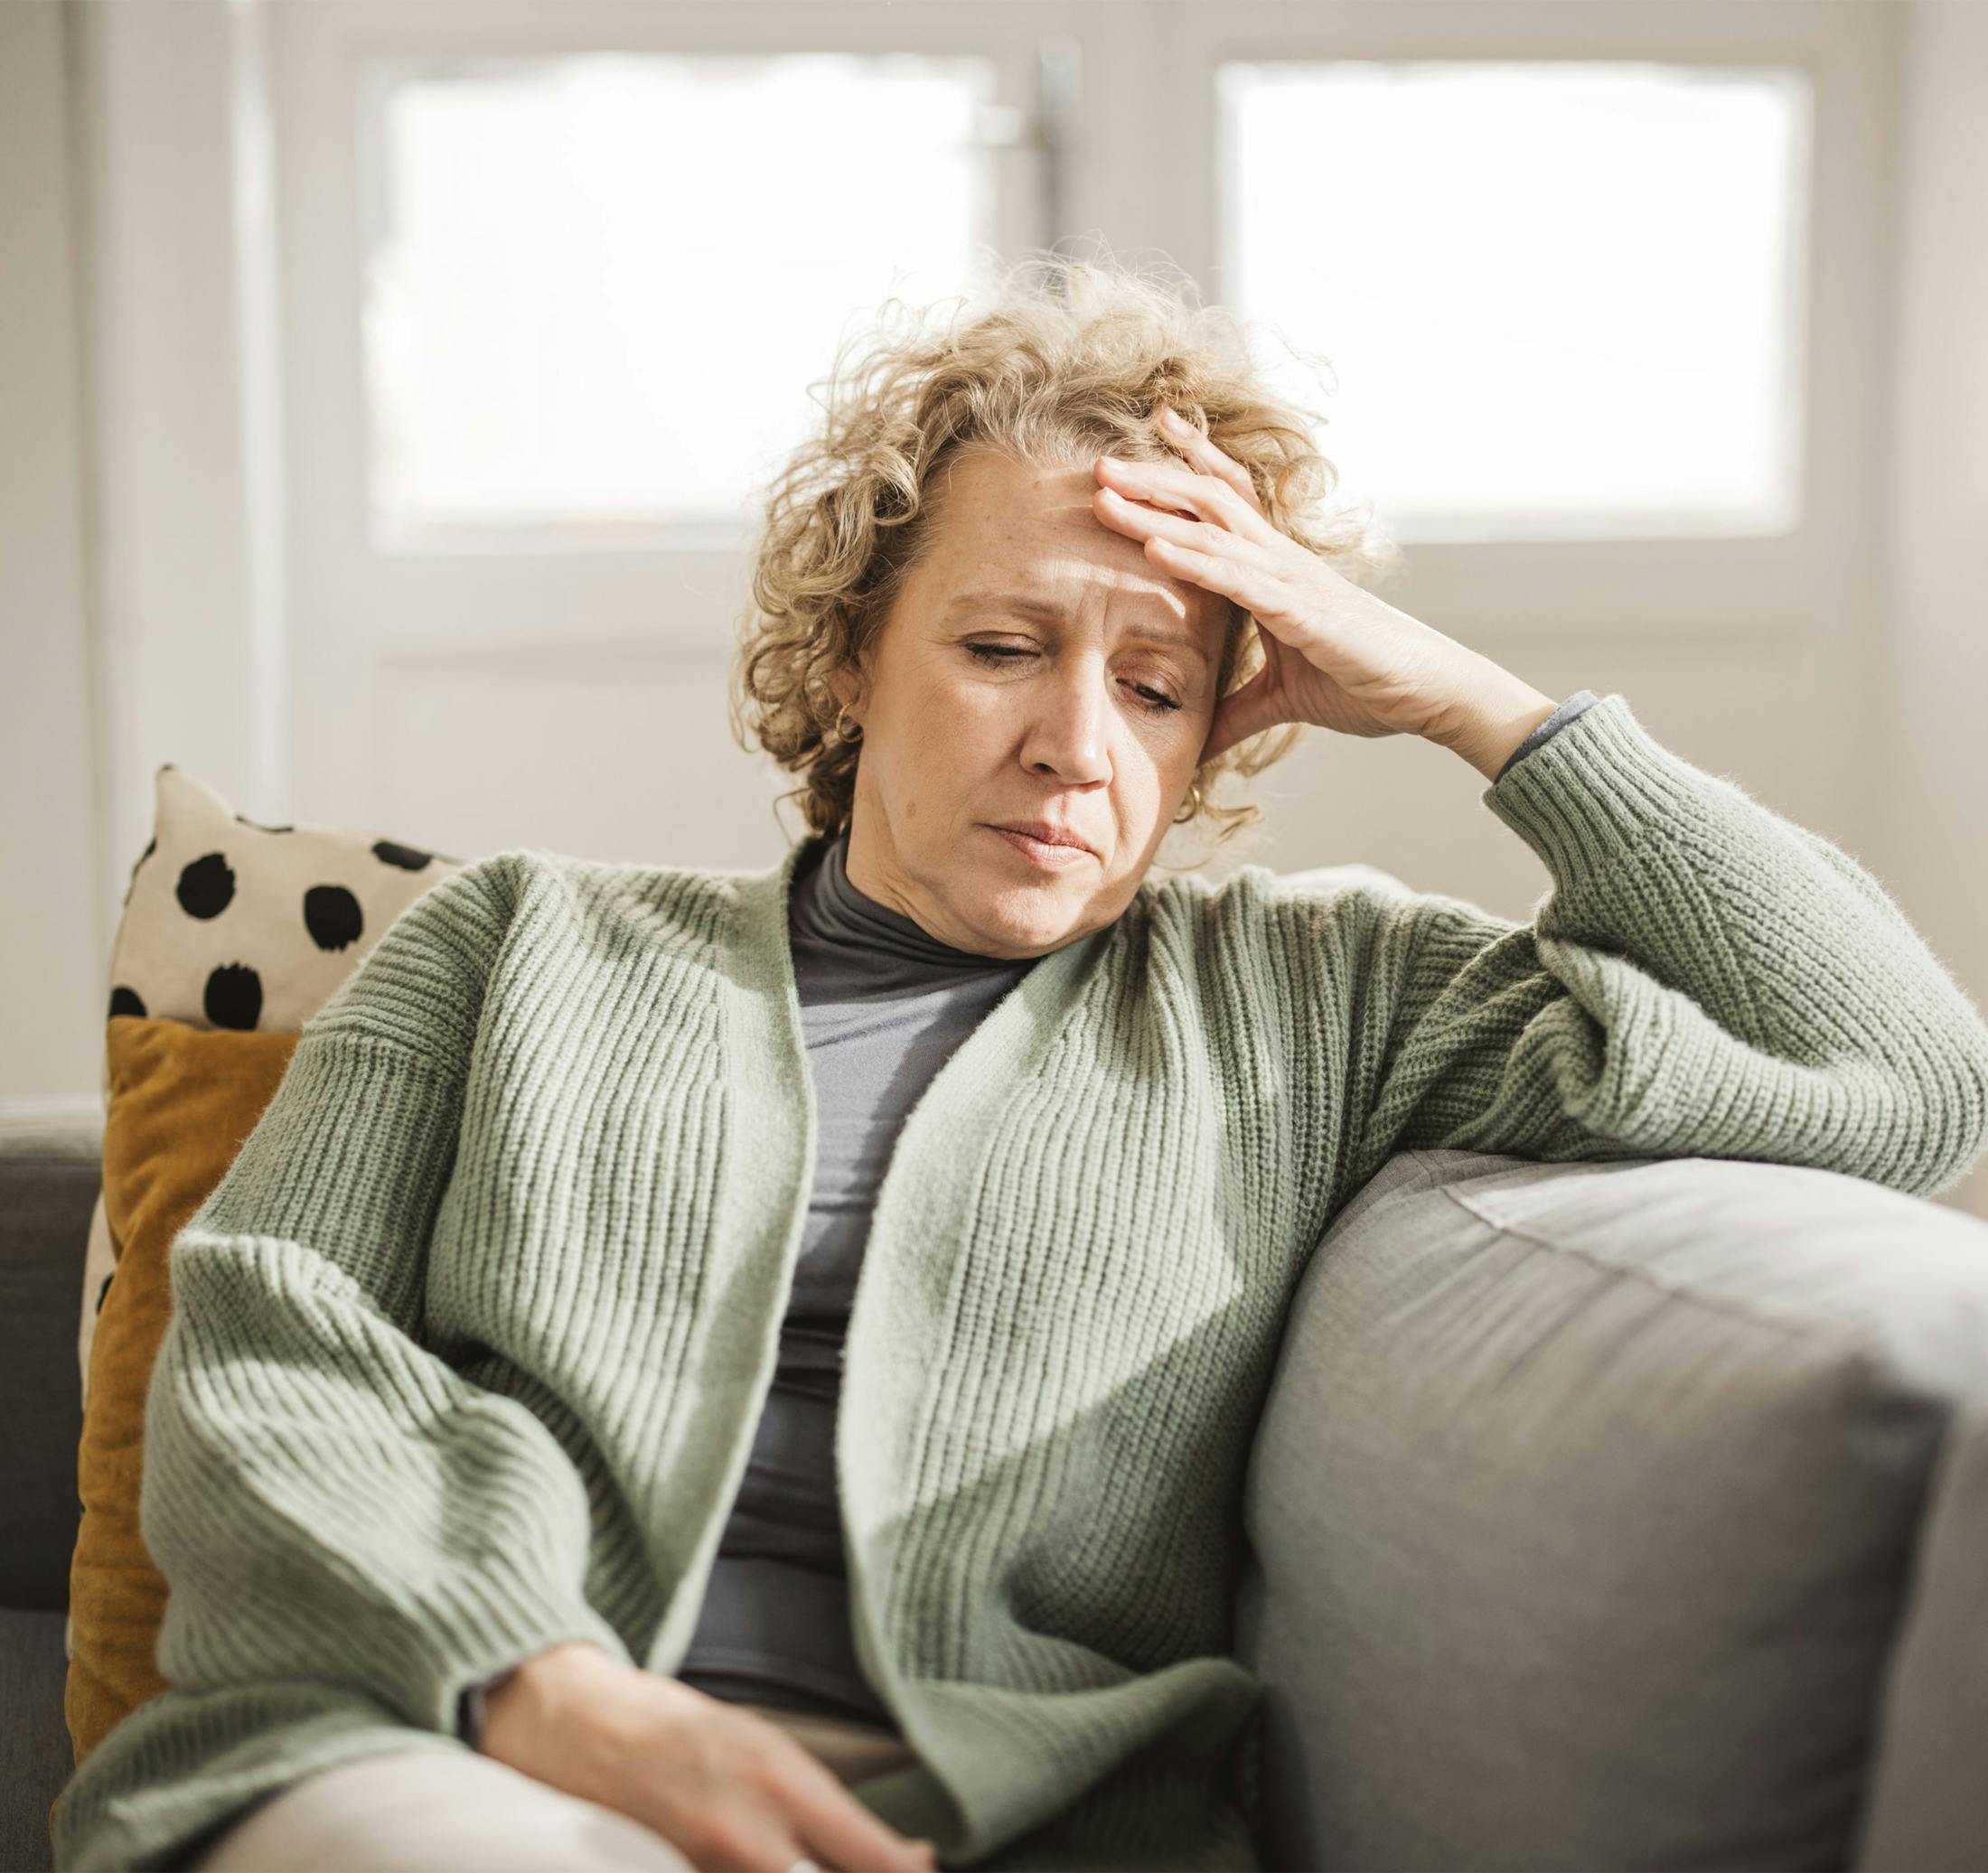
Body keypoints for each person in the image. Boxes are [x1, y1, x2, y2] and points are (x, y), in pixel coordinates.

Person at [52, 253, 1988, 1873]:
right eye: (999, 646)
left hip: (1006, 1818)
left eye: (1155, 685)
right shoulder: (517, 941)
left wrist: (1477, 706)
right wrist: (541, 1685)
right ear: (848, 656)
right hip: (459, 1748)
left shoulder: (1315, 1000)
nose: (1077, 741)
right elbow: (273, 1335)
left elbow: (1900, 1074)